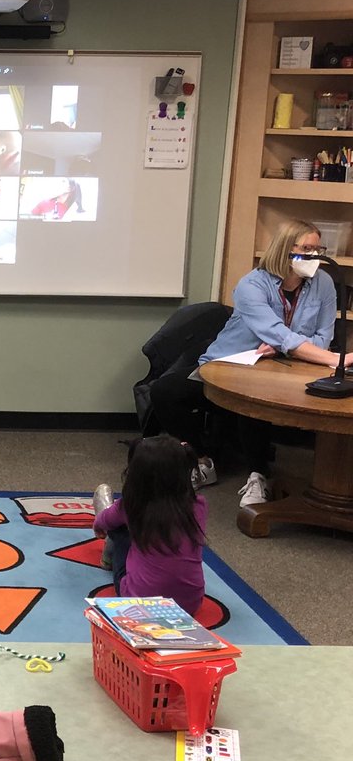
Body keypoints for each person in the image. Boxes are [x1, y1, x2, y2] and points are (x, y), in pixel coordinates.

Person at [148, 219, 343, 507]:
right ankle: (201, 459)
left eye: (318, 249)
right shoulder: (251, 285)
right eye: (307, 249)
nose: (314, 257)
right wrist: (315, 352)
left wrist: (285, 347)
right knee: (165, 391)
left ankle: (258, 475)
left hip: (287, 368)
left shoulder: (324, 284)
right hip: (231, 363)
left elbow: (323, 337)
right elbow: (275, 331)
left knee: (256, 399)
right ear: (284, 249)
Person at [93, 435, 208, 616]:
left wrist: (98, 525)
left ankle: (109, 554)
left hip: (138, 601)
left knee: (118, 528)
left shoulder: (132, 505)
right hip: (190, 604)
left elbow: (103, 521)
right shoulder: (198, 505)